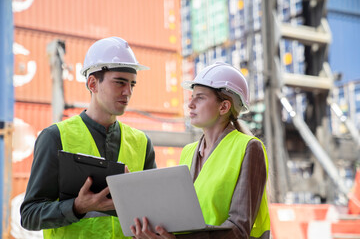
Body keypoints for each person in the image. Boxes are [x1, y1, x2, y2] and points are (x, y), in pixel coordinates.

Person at [20, 37, 156, 239]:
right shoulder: (55, 137)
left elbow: (154, 210)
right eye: (120, 82)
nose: (127, 92)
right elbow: (29, 215)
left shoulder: (142, 143)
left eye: (132, 84)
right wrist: (76, 207)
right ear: (92, 83)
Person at [131, 62, 270, 239]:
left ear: (224, 107)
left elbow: (238, 229)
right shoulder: (188, 152)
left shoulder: (248, 147)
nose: (190, 104)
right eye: (192, 96)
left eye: (200, 97)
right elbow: (180, 219)